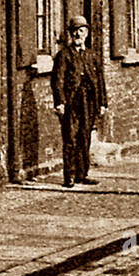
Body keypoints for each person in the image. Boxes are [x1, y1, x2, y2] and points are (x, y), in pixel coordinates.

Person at [50, 15, 107, 187]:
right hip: (71, 103)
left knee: (84, 138)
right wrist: (60, 102)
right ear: (70, 34)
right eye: (74, 31)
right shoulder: (64, 55)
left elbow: (100, 79)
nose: (78, 34)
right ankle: (70, 176)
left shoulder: (92, 55)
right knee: (70, 138)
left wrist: (103, 103)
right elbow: (57, 81)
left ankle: (83, 174)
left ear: (87, 33)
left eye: (81, 31)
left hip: (88, 102)